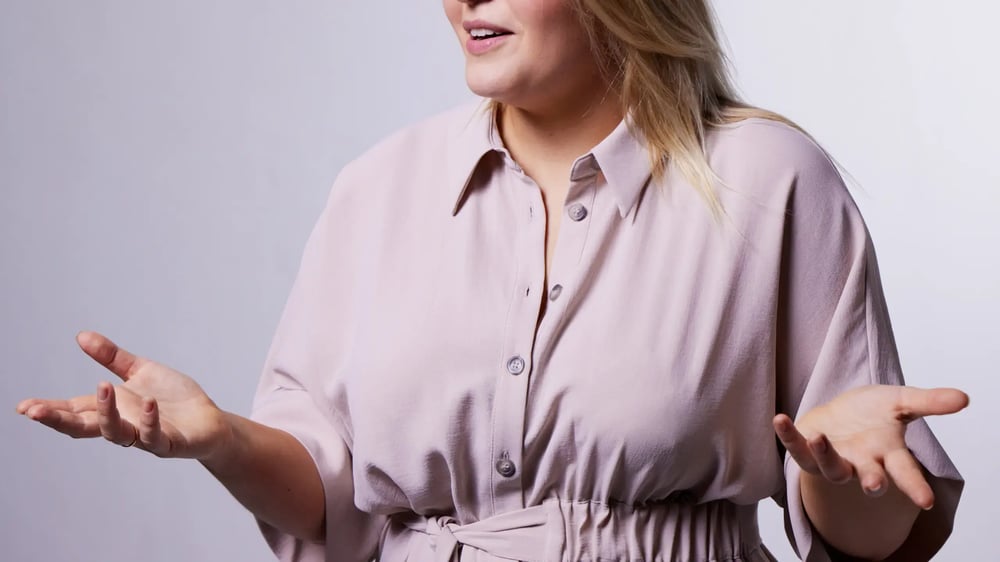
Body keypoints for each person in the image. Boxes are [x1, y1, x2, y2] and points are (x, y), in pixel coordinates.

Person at [15, 1, 968, 561]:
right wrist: (224, 440)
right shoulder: (376, 189)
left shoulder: (767, 180)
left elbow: (880, 533)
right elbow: (332, 500)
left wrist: (848, 482)